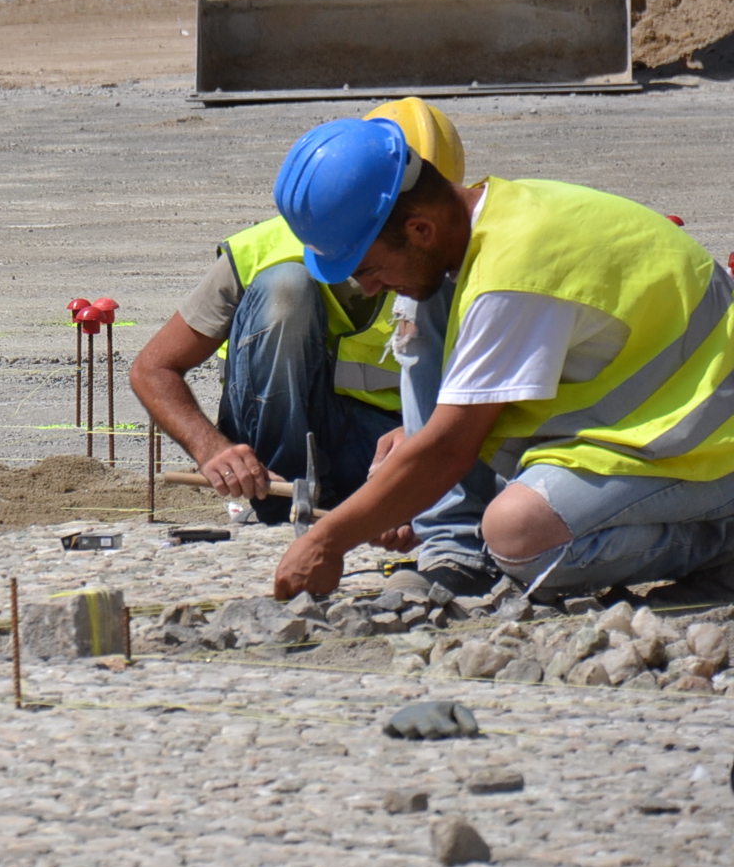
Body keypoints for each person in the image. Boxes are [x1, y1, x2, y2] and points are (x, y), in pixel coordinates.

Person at [269, 116, 734, 605]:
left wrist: (327, 540)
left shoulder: (513, 271)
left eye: (369, 268)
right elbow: (457, 428)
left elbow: (449, 448)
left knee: (520, 536)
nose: (368, 288)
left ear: (421, 228)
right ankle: (454, 544)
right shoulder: (494, 220)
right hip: (649, 423)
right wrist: (405, 482)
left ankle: (723, 542)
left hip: (708, 445)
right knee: (424, 304)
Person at [131, 98, 466, 526]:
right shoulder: (263, 252)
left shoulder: (462, 258)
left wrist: (423, 435)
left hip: (389, 448)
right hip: (273, 460)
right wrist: (210, 449)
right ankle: (276, 506)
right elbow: (152, 369)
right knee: (284, 289)